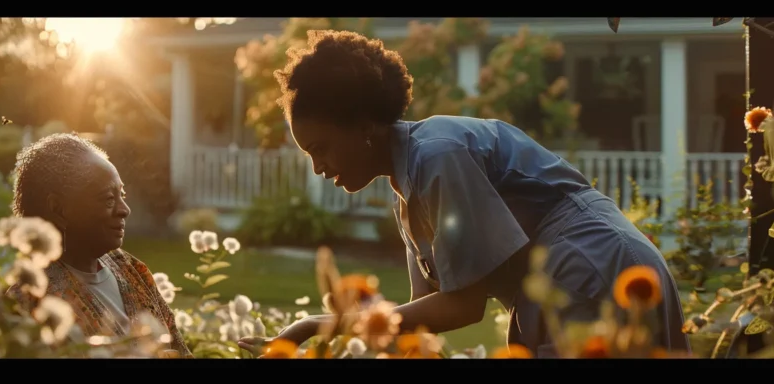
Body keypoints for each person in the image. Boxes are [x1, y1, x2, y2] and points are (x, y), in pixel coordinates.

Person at [237, 30, 689, 358]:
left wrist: (316, 326)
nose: (318, 168)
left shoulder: (438, 155)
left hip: (591, 266)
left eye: (321, 149)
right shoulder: (407, 189)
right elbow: (425, 318)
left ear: (362, 125)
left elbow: (465, 304)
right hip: (576, 270)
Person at [5, 133, 191, 357]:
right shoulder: (26, 305)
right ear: (58, 209)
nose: (124, 209)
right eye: (108, 199)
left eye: (122, 195)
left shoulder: (132, 270)